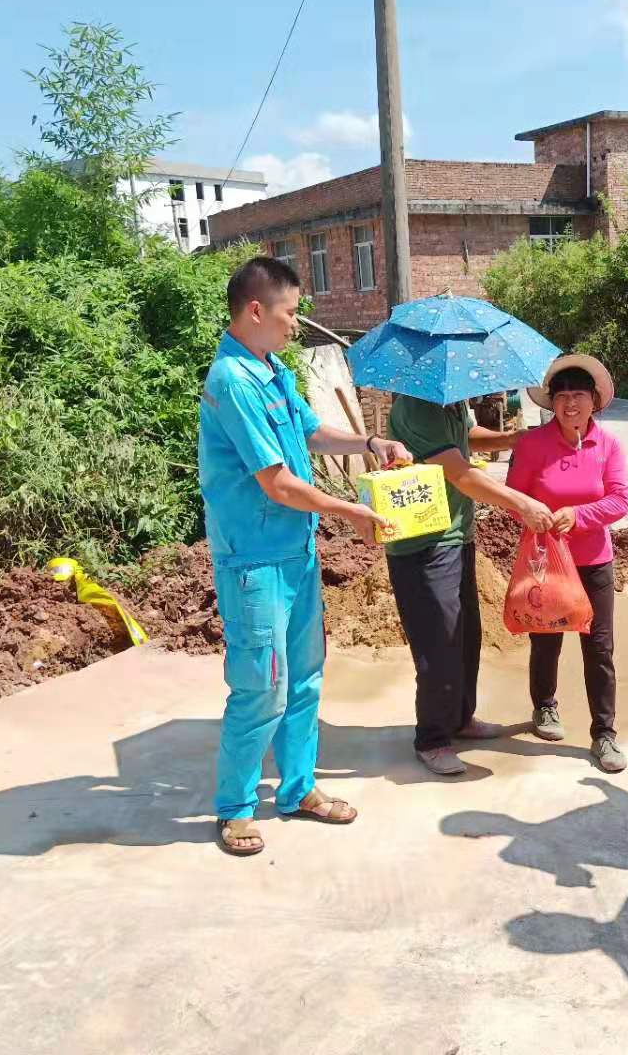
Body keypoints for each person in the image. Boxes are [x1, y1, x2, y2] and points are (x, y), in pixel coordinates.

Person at [199, 257, 411, 856]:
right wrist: (353, 512)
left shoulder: (272, 371)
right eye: (291, 313)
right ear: (256, 311)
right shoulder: (233, 382)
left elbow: (311, 432)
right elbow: (278, 484)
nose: (296, 324)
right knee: (261, 686)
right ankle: (236, 808)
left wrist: (371, 441)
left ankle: (297, 790)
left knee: (306, 679)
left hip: (296, 551)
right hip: (254, 562)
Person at [386, 392, 555, 775]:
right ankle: (432, 739)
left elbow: (465, 437)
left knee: (465, 637)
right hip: (423, 543)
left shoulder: (451, 401)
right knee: (439, 643)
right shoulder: (417, 406)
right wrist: (521, 503)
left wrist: (509, 439)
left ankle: (460, 719)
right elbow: (461, 473)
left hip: (456, 534)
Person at [507, 356, 628, 773]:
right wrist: (533, 515)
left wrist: (578, 516)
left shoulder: (608, 446)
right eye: (561, 396)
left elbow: (619, 500)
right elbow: (513, 498)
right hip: (544, 563)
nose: (570, 404)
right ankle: (544, 705)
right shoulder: (531, 445)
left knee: (599, 648)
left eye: (579, 395)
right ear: (551, 403)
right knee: (545, 640)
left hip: (594, 562)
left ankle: (604, 734)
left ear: (594, 401)